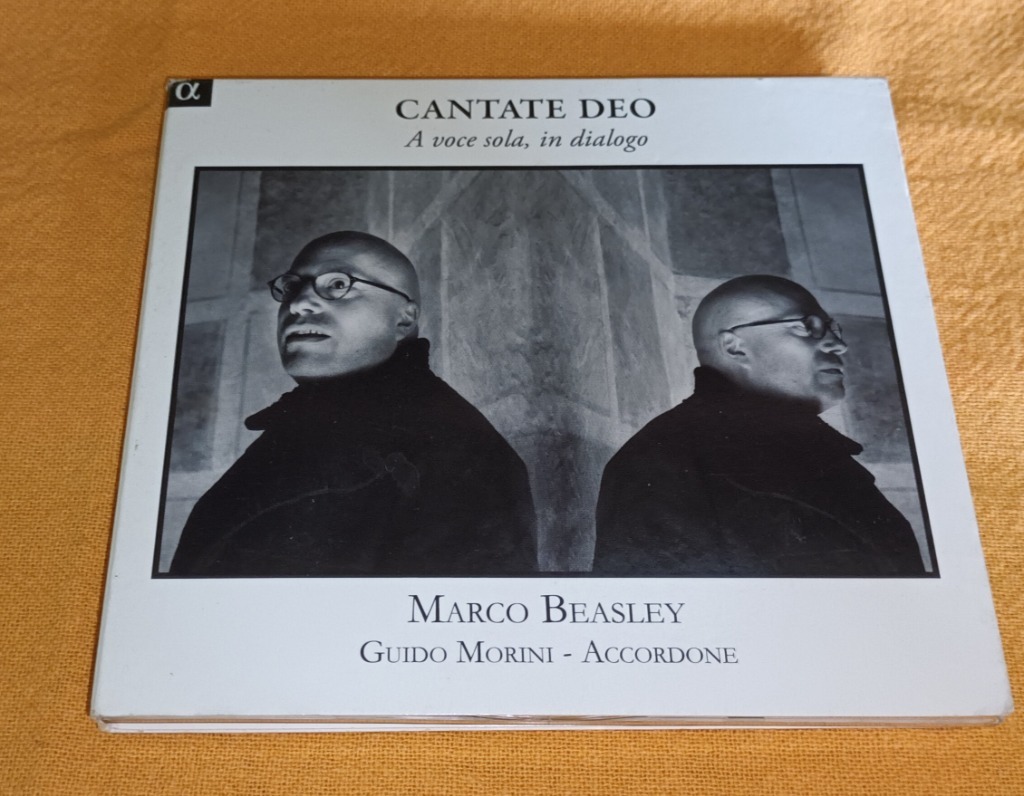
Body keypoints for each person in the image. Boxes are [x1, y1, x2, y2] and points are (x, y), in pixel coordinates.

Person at [170, 231, 537, 576]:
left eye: (338, 285)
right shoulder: (310, 428)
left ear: (404, 318)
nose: (298, 303)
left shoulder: (457, 454)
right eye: (292, 287)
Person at [593, 275, 925, 577]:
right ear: (734, 346)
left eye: (832, 329)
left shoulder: (818, 454)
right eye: (807, 327)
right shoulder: (660, 463)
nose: (839, 345)